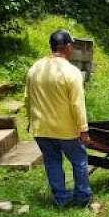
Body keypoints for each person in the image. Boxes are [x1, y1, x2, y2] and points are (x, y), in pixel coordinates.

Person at [25, 30, 92, 208]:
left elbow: (28, 98)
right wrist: (83, 129)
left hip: (41, 129)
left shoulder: (35, 68)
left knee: (52, 162)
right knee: (79, 160)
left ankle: (62, 199)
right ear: (68, 47)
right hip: (66, 130)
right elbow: (77, 104)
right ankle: (83, 198)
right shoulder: (71, 72)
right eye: (73, 46)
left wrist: (30, 121)